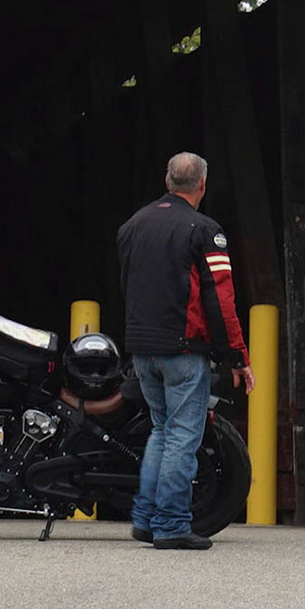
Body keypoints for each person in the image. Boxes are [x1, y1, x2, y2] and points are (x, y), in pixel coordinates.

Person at [116, 152, 256, 550]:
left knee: (161, 431)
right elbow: (221, 301)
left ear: (167, 181)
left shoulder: (132, 225)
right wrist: (237, 357)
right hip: (182, 350)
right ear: (202, 185)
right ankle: (172, 525)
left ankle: (147, 520)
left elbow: (128, 286)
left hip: (142, 349)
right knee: (181, 436)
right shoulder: (205, 230)